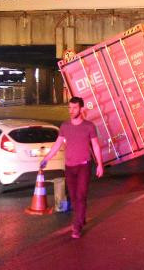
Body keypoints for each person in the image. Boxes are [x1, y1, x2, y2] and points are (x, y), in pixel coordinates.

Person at [41, 96, 104, 239]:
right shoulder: (65, 126)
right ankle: (81, 218)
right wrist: (46, 159)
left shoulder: (89, 126)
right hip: (69, 167)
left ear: (81, 109)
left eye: (74, 107)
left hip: (84, 166)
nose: (71, 110)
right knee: (75, 197)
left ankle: (76, 227)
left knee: (81, 196)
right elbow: (57, 145)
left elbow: (95, 146)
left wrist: (100, 164)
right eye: (69, 107)